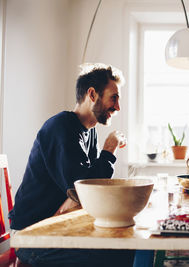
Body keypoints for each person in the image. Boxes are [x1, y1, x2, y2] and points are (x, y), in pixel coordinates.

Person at [9, 63, 133, 267]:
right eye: (114, 97)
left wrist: (75, 199)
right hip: (32, 234)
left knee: (124, 247)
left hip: (56, 226)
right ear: (92, 94)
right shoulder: (60, 128)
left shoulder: (89, 131)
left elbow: (88, 188)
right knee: (120, 257)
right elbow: (86, 191)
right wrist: (109, 149)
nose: (118, 107)